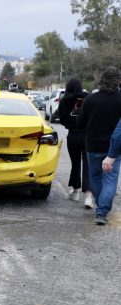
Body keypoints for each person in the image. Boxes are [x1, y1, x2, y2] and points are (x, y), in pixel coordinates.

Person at [78, 66, 121, 225]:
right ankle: (102, 211)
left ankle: (101, 207)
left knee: (94, 176)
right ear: (118, 81)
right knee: (110, 179)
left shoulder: (90, 99)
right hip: (114, 148)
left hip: (93, 145)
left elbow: (80, 122)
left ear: (101, 79)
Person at [58, 78, 94, 209]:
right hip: (87, 135)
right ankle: (89, 197)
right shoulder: (88, 98)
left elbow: (61, 119)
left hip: (73, 135)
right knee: (88, 165)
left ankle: (76, 191)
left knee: (75, 164)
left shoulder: (64, 100)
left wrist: (71, 122)